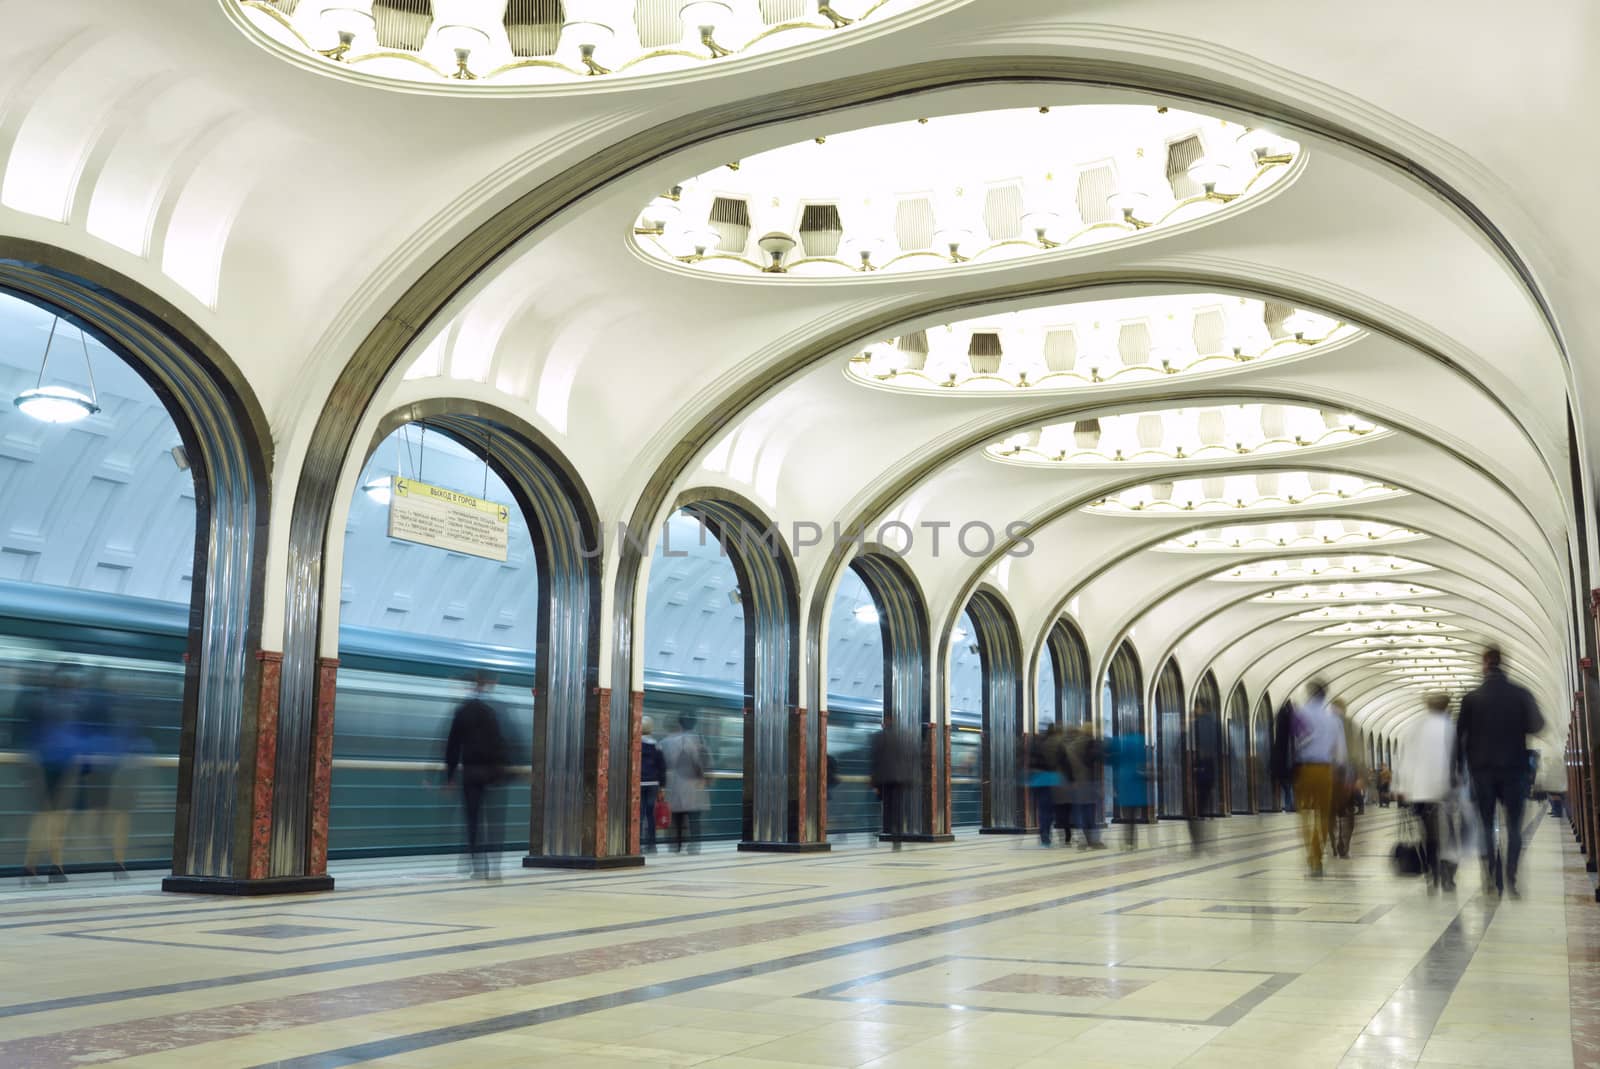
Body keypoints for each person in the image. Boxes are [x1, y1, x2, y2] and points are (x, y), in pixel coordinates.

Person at [1456, 646, 1544, 897]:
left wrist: (1458, 769)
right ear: (1502, 663)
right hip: (1514, 768)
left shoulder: (1471, 698)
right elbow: (1537, 724)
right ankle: (1511, 876)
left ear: (1484, 664)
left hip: (1482, 771)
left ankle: (1490, 875)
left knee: (1485, 825)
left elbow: (1459, 735)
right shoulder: (1520, 693)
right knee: (1514, 826)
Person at [443, 672, 510, 880]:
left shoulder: (462, 711)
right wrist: (502, 770)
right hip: (491, 773)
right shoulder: (493, 711)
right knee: (494, 820)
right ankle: (495, 864)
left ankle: (477, 865)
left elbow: (452, 746)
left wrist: (450, 776)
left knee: (472, 820)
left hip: (471, 773)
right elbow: (501, 742)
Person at [1394, 692, 1458, 893]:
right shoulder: (1450, 728)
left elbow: (1404, 759)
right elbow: (1455, 760)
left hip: (1420, 792)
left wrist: (1401, 788)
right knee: (1448, 833)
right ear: (1446, 706)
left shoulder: (1415, 727)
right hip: (1443, 790)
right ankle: (1448, 875)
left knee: (1428, 834)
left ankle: (1432, 873)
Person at [1292, 681, 1347, 877]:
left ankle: (1312, 857)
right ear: (1324, 696)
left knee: (1305, 815)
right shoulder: (1333, 719)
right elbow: (1341, 753)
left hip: (1304, 769)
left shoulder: (1299, 714)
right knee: (1324, 816)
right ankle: (1317, 857)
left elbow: (1293, 741)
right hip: (1326, 770)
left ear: (1308, 693)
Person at [660, 713, 710, 853]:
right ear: (694, 724)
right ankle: (694, 846)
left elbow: (664, 763)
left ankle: (676, 845)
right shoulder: (699, 740)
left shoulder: (667, 742)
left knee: (677, 819)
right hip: (695, 786)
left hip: (675, 785)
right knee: (694, 820)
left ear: (680, 724)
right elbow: (704, 762)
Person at [1330, 699, 1366, 859]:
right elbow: (1358, 752)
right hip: (1347, 772)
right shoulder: (1351, 725)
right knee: (1349, 812)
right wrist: (1361, 776)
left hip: (1331, 771)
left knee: (1330, 813)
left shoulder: (1327, 723)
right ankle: (1344, 844)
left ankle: (1335, 843)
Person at [870, 723, 915, 850]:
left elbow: (875, 759)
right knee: (898, 809)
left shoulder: (879, 737)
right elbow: (912, 758)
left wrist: (874, 781)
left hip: (885, 779)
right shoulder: (906, 737)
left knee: (887, 808)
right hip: (901, 779)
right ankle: (898, 837)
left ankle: (888, 832)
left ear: (884, 723)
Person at [1062, 722, 1106, 849]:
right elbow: (1096, 758)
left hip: (1076, 782)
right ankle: (1093, 841)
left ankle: (1084, 840)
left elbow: (1066, 764)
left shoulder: (1073, 745)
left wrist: (1071, 780)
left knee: (1081, 811)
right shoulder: (1089, 743)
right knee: (1090, 812)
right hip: (1087, 781)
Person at [1105, 724, 1149, 849]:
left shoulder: (1120, 743)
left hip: (1124, 781)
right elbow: (1144, 761)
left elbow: (1110, 759)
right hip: (1136, 780)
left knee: (1127, 815)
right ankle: (1132, 841)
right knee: (1133, 816)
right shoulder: (1140, 741)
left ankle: (1128, 841)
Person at [1189, 700, 1222, 852]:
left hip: (1199, 767)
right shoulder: (1216, 725)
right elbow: (1224, 746)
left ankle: (1198, 842)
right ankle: (1210, 842)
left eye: (1197, 707)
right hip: (1212, 769)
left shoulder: (1196, 725)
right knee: (1208, 803)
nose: (1195, 710)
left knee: (1198, 806)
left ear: (1201, 708)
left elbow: (1183, 744)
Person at [1026, 721, 1064, 846]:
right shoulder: (1057, 743)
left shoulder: (1037, 742)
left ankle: (1044, 834)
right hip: (1051, 779)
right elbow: (1062, 761)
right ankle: (1046, 833)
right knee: (1050, 810)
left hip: (1036, 779)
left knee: (1042, 809)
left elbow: (1030, 761)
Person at [640, 716, 665, 854]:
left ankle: (636, 843)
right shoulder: (657, 745)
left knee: (639, 814)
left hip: (638, 783)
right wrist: (662, 787)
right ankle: (652, 845)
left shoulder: (635, 744)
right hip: (653, 784)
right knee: (650, 815)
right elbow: (662, 767)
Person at [1270, 699, 1297, 813]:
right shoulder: (1291, 729)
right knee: (1289, 787)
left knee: (1287, 787)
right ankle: (1289, 806)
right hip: (1289, 764)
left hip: (1282, 765)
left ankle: (1288, 805)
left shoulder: (1280, 731)